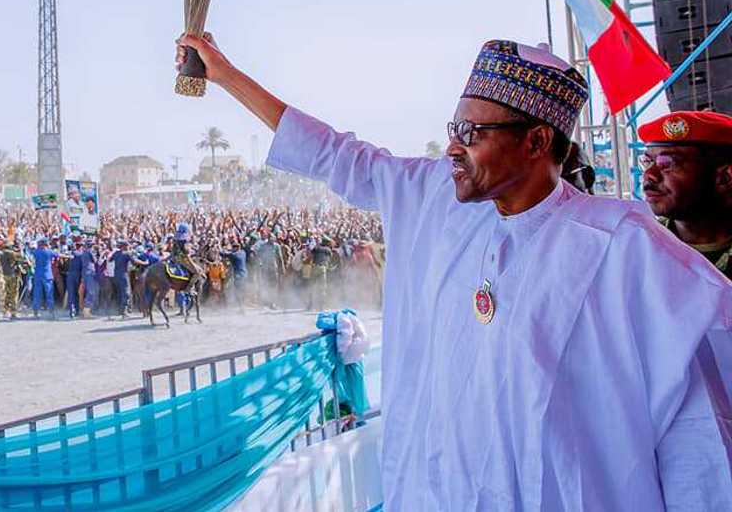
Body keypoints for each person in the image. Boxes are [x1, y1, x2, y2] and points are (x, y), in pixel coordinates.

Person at [178, 32, 732, 509]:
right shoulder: (430, 199)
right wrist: (226, 75)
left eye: (472, 133)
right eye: (454, 127)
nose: (451, 147)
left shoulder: (628, 252)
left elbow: (700, 445)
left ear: (537, 142)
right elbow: (333, 154)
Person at [639, 110, 732, 274]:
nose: (649, 175)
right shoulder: (639, 247)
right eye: (648, 161)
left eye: (668, 163)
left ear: (724, 178)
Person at [31, 237, 58, 318]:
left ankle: (35, 311)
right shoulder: (49, 252)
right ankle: (51, 311)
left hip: (38, 275)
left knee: (37, 294)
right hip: (47, 275)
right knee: (49, 293)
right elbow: (57, 255)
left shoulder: (36, 252)